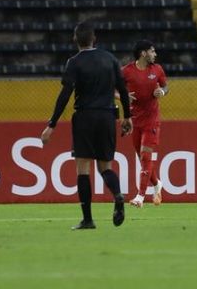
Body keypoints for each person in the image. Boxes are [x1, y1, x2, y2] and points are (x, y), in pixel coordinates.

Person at [41, 21, 132, 230]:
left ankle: (88, 219)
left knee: (83, 169)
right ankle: (117, 194)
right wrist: (127, 116)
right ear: (94, 39)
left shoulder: (74, 62)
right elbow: (123, 91)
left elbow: (65, 95)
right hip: (108, 116)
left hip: (85, 117)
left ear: (75, 40)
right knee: (105, 167)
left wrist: (52, 124)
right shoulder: (110, 59)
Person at [122, 40, 167, 208]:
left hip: (152, 120)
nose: (155, 54)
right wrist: (123, 96)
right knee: (143, 159)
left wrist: (162, 91)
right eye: (152, 51)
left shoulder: (157, 70)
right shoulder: (126, 71)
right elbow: (112, 88)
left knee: (146, 156)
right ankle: (157, 184)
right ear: (143, 53)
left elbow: (165, 86)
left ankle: (140, 196)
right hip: (134, 121)